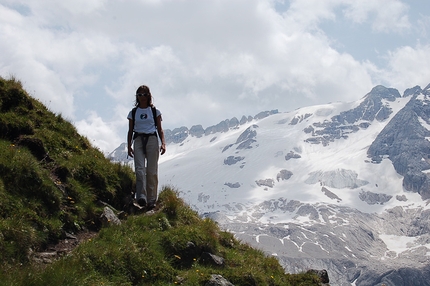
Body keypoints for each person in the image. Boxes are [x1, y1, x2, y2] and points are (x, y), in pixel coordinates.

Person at [127, 85, 166, 210]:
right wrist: (128, 146)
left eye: (144, 94)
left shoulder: (155, 112)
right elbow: (130, 130)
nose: (142, 97)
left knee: (151, 171)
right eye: (139, 94)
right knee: (139, 169)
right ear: (136, 96)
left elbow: (160, 129)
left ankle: (151, 200)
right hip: (138, 139)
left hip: (152, 139)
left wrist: (163, 143)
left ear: (149, 95)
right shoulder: (133, 112)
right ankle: (141, 196)